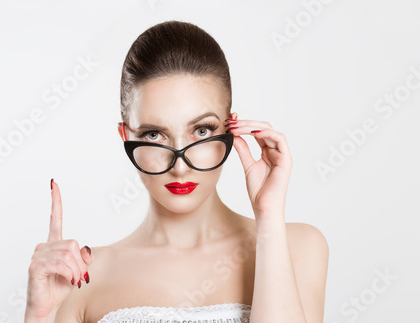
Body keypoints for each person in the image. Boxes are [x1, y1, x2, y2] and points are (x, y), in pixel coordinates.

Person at [24, 20, 329, 323]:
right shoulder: (82, 278)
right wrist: (40, 317)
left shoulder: (297, 247)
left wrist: (269, 215)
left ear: (231, 127)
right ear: (126, 137)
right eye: (155, 134)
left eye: (201, 130)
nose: (180, 167)